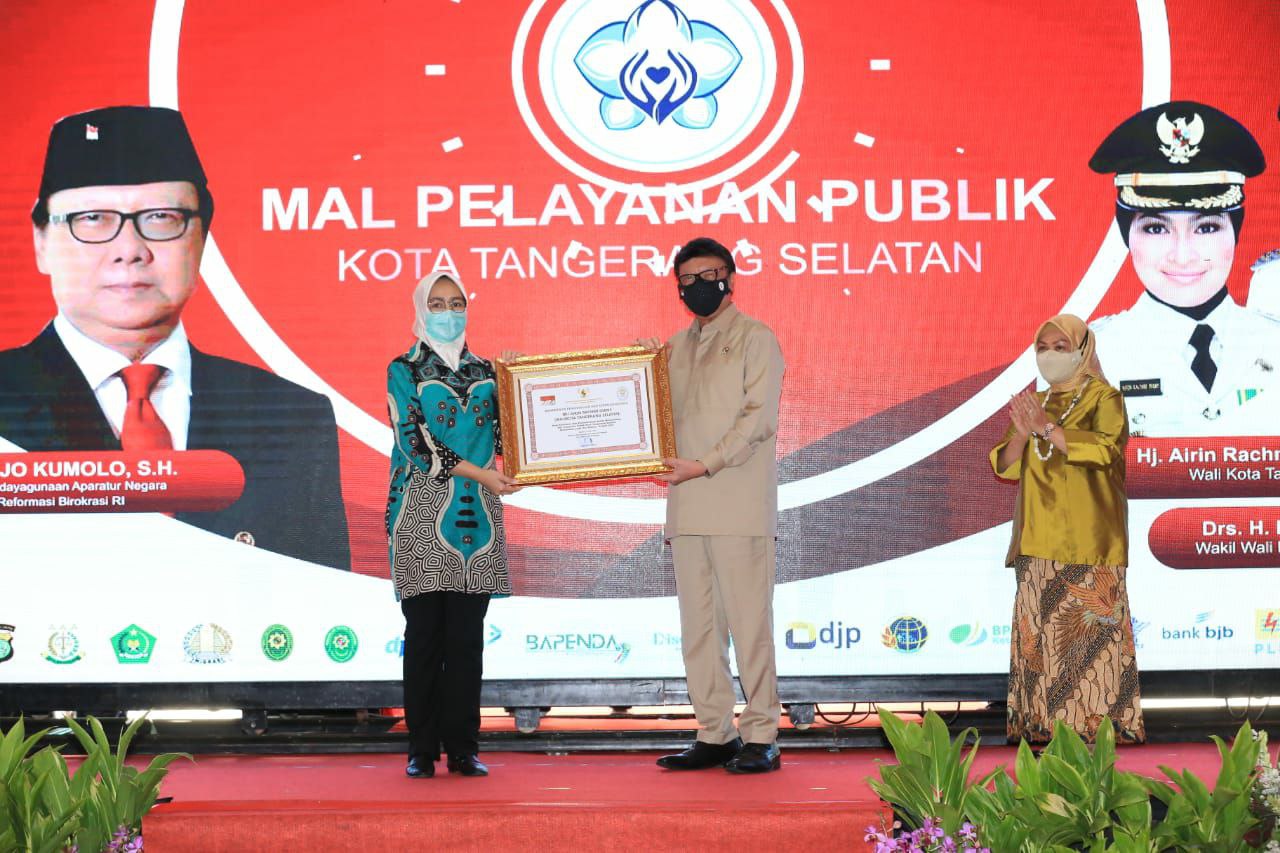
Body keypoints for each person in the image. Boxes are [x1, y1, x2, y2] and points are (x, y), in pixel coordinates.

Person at [0, 105, 349, 568]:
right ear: (41, 241)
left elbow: (321, 596)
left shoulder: (289, 415)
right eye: (93, 219)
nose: (129, 250)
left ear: (201, 238)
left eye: (161, 217)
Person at [645, 237, 786, 774]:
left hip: (738, 503)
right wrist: (632, 372)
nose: (698, 286)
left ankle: (762, 734)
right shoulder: (671, 350)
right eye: (687, 279)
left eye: (708, 275)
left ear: (729, 276)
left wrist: (705, 463)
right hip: (686, 508)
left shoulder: (756, 338)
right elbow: (646, 413)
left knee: (750, 627)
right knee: (699, 629)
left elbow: (758, 419)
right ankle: (715, 732)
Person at [385, 272, 519, 779]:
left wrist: (519, 393)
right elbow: (415, 443)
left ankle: (464, 747)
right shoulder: (403, 369)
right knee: (424, 637)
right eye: (438, 303)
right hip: (419, 513)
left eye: (457, 302)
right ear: (421, 308)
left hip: (477, 519)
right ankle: (421, 748)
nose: (448, 312)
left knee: (466, 640)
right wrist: (483, 474)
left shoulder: (488, 371)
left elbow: (512, 438)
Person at [991, 314, 1144, 745]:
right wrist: (1024, 432)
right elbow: (1004, 465)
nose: (1049, 356)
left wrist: (1046, 428)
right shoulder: (1035, 402)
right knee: (1039, 643)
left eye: (1060, 347)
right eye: (1042, 348)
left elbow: (1105, 451)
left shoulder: (1104, 397)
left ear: (1082, 350)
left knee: (1088, 643)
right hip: (1037, 540)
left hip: (1091, 540)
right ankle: (1041, 727)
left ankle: (1095, 731)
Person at [1088, 100, 1280, 437]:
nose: (1182, 255)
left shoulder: (1273, 340)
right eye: (1156, 228)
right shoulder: (1089, 357)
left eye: (1206, 228)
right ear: (1126, 236)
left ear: (1235, 233)